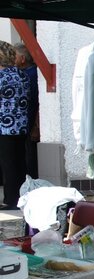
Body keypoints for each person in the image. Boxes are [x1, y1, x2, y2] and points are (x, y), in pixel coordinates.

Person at [0, 41, 29, 210]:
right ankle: (21, 196)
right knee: (19, 162)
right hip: (21, 124)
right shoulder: (21, 74)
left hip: (5, 126)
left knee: (8, 163)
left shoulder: (2, 76)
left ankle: (11, 200)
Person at [14, 43, 39, 179]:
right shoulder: (23, 74)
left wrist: (35, 125)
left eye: (15, 56)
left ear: (22, 58)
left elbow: (36, 101)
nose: (13, 60)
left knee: (30, 156)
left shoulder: (32, 75)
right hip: (24, 123)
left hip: (29, 123)